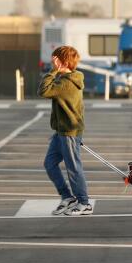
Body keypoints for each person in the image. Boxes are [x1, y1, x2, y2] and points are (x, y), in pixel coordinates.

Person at [40, 45, 91, 216]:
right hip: (61, 131)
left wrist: (53, 71)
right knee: (50, 163)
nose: (52, 63)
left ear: (63, 62)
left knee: (73, 167)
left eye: (55, 60)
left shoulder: (66, 83)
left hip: (69, 131)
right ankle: (67, 197)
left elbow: (44, 91)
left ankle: (84, 203)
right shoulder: (70, 78)